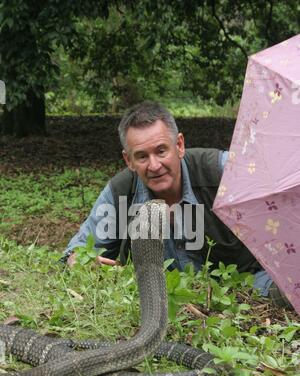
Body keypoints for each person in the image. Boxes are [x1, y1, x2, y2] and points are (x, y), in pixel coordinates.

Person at [63, 101, 291, 308]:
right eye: (142, 156)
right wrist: (78, 261)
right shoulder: (119, 194)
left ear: (179, 145)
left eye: (161, 151)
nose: (154, 165)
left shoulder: (222, 171)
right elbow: (74, 254)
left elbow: (276, 185)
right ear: (128, 160)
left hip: (247, 286)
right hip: (165, 302)